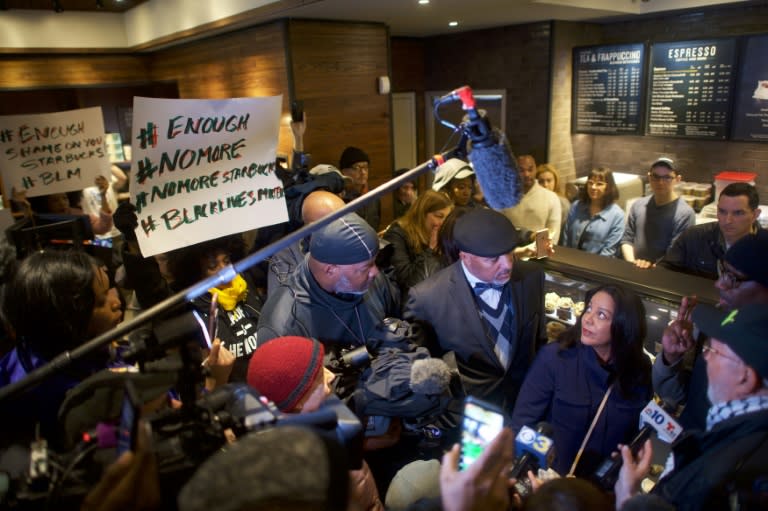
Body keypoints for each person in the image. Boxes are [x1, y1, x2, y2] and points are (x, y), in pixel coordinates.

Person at [616, 302, 768, 511]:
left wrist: (627, 498)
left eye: (712, 351)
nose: (705, 357)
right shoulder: (734, 432)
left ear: (745, 378)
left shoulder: (731, 467)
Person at [404, 208, 546, 413]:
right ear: (465, 257)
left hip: (524, 406)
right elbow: (422, 372)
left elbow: (538, 342)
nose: (507, 265)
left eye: (509, 253)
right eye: (493, 259)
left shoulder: (532, 277)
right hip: (468, 415)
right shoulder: (427, 299)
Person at [510, 284, 652, 477]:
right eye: (589, 309)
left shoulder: (639, 370)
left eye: (601, 315)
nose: (588, 319)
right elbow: (523, 424)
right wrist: (535, 473)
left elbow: (635, 437)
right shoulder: (555, 358)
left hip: (600, 492)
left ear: (623, 325)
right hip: (550, 483)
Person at [0, 250, 123, 445]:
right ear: (68, 322)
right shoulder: (63, 398)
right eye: (101, 302)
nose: (116, 303)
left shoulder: (45, 345)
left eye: (109, 290)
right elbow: (108, 441)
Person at [247, 336, 384, 511]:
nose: (331, 375)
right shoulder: (310, 475)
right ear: (298, 402)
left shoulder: (320, 417)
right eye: (320, 376)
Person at [653, 230, 768, 430]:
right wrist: (671, 359)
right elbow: (682, 398)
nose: (719, 283)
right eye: (723, 271)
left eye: (734, 279)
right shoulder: (719, 324)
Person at [257, 212, 400, 350]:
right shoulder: (284, 325)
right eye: (365, 268)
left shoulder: (371, 279)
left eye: (374, 262)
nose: (375, 272)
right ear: (330, 270)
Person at [659, 182, 762, 279]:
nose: (728, 220)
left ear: (755, 215)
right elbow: (664, 271)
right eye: (722, 211)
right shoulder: (694, 236)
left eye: (738, 213)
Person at [267, 188, 346, 295]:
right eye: (333, 224)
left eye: (346, 220)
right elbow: (283, 304)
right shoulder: (286, 256)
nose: (345, 229)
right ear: (310, 228)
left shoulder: (355, 244)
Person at [621, 157, 695, 268]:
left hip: (663, 275)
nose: (660, 182)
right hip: (632, 268)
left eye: (667, 177)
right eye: (656, 177)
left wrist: (649, 267)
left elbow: (675, 254)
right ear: (649, 177)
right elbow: (627, 239)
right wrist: (632, 262)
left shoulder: (685, 214)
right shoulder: (638, 205)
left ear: (677, 179)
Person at [382, 190, 453, 295]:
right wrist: (431, 250)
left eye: (447, 218)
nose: (443, 223)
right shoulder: (397, 234)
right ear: (422, 214)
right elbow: (409, 283)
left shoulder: (442, 235)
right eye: (439, 216)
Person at [561, 167, 625, 257]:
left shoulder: (617, 215)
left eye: (599, 184)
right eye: (590, 183)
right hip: (570, 261)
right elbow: (566, 236)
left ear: (608, 187)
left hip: (598, 266)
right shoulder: (576, 206)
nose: (593, 187)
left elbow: (609, 250)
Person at [500, 154, 562, 245]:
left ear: (535, 170)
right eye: (521, 170)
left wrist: (538, 254)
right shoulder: (503, 196)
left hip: (539, 254)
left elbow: (553, 233)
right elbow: (498, 228)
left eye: (530, 169)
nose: (526, 174)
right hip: (510, 253)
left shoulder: (551, 198)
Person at [340, 146, 381, 231]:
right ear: (344, 171)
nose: (363, 172)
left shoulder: (374, 197)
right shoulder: (339, 198)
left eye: (365, 167)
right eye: (356, 168)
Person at [536, 163, 570, 239]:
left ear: (555, 181)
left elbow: (564, 231)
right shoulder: (534, 200)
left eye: (549, 180)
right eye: (541, 181)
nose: (545, 185)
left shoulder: (563, 203)